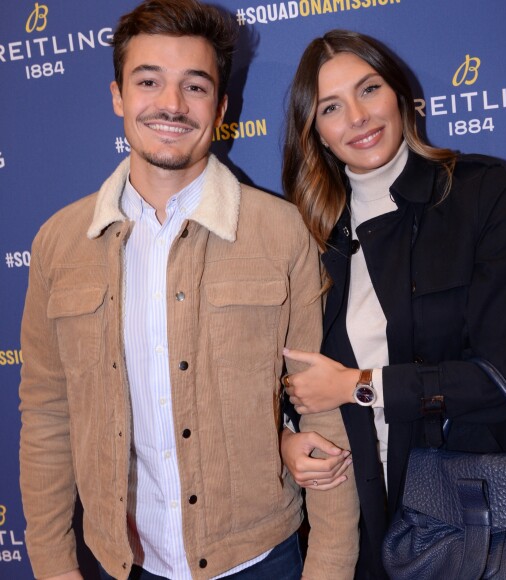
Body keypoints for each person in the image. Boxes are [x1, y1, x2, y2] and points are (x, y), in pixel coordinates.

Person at [18, 3, 359, 580]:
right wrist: (53, 565)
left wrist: (329, 564)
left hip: (261, 560)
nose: (171, 105)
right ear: (118, 96)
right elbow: (48, 414)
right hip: (119, 562)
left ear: (221, 107)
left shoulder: (281, 233)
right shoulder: (58, 243)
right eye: (149, 81)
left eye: (194, 86)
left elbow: (322, 413)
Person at [280, 29, 506, 579]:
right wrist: (284, 439)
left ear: (399, 96)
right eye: (331, 107)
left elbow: (503, 379)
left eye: (369, 89)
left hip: (475, 511)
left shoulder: (482, 193)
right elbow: (277, 373)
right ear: (317, 133)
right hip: (355, 513)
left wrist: (358, 384)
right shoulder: (303, 233)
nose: (357, 116)